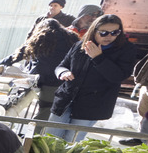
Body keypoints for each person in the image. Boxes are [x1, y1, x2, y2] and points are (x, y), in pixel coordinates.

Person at [48, 14, 141, 142]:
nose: (109, 36)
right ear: (94, 31)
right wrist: (63, 72)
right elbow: (61, 65)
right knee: (50, 138)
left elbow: (118, 76)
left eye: (115, 32)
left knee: (71, 142)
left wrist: (98, 58)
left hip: (92, 104)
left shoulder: (126, 49)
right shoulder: (80, 45)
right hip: (66, 99)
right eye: (104, 33)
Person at [0, 18, 76, 121]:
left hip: (38, 78)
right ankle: (35, 133)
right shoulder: (71, 38)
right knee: (46, 110)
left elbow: (18, 55)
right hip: (58, 80)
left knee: (16, 104)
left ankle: (29, 132)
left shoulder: (41, 36)